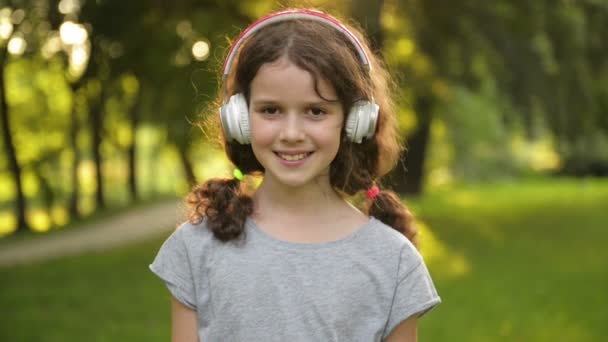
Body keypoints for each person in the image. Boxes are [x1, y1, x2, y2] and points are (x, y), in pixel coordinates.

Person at [150, 8, 441, 342]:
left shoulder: (394, 260)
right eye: (270, 110)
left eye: (315, 111)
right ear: (239, 118)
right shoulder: (197, 248)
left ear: (353, 121)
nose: (291, 133)